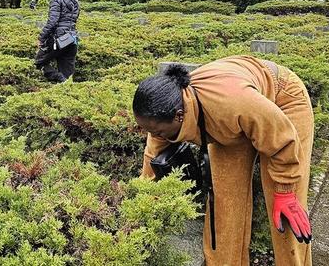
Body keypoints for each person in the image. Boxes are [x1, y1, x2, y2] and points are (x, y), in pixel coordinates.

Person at [134, 56, 314, 266]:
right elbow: (152, 155)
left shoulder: (232, 102)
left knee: (287, 210)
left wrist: (284, 190)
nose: (155, 135)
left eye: (156, 131)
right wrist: (143, 196)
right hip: (234, 120)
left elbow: (283, 140)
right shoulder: (163, 111)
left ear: (179, 116)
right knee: (223, 201)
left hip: (283, 100)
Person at [35, 0, 80, 83]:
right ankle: (66, 90)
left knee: (39, 61)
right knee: (68, 77)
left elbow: (52, 22)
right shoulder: (75, 0)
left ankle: (58, 77)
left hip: (59, 40)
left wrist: (41, 38)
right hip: (72, 39)